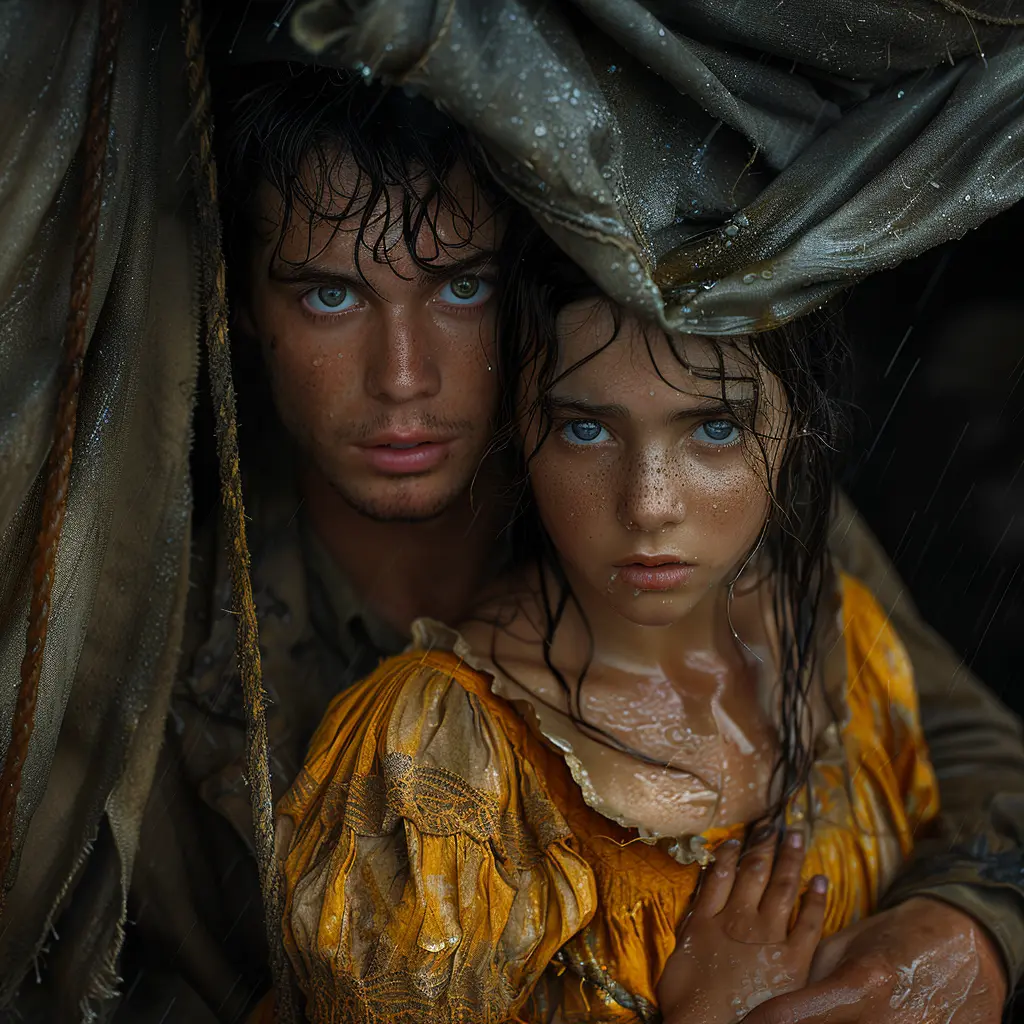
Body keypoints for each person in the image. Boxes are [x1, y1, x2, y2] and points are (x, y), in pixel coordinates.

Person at [119, 64, 1024, 1024]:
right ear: (244, 310)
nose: (404, 376)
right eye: (331, 298)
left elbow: (976, 757)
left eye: (460, 287)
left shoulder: (726, 518)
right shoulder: (163, 661)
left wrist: (964, 935)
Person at [259, 244, 966, 1022]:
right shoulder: (437, 762)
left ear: (795, 427)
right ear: (522, 433)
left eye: (716, 430)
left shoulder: (843, 641)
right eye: (588, 432)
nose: (650, 503)